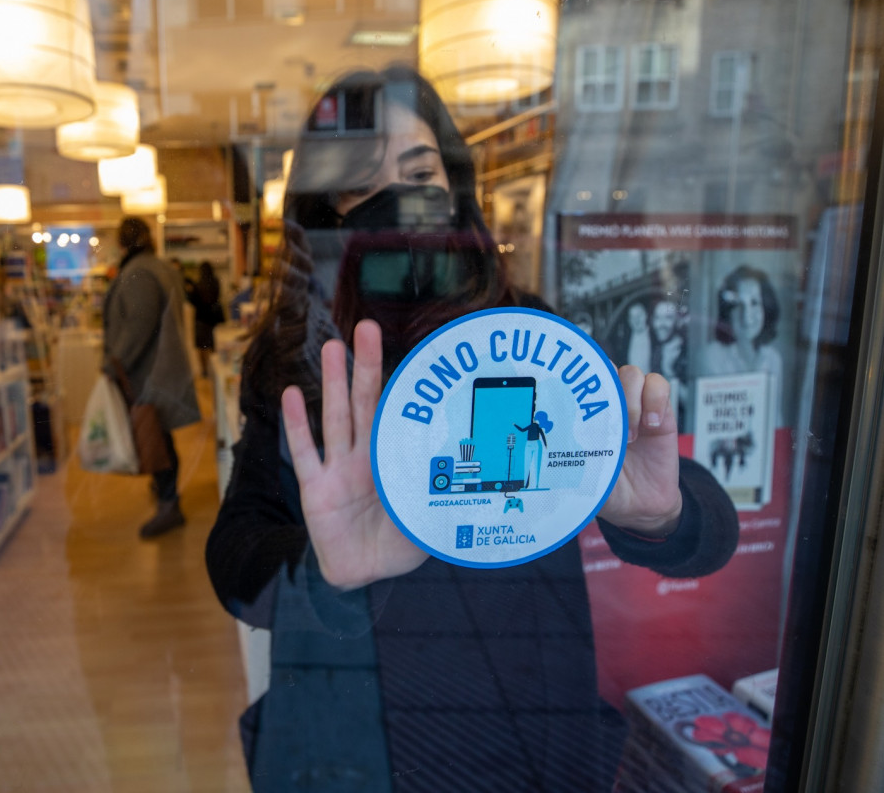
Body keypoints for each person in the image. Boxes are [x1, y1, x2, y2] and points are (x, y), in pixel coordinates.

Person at [205, 65, 740, 791]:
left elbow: (702, 526)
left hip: (523, 716)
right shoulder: (298, 357)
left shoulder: (527, 329)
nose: (394, 201)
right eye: (359, 184)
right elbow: (235, 554)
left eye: (419, 169)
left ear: (455, 185)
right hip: (360, 731)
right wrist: (320, 573)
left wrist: (665, 515)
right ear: (323, 212)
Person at [104, 217, 200, 538]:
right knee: (158, 436)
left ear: (122, 242)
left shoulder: (138, 273)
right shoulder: (158, 267)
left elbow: (138, 328)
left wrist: (114, 362)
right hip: (164, 367)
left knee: (154, 437)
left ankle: (169, 503)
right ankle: (166, 496)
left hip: (148, 372)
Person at [703, 265, 784, 425]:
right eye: (739, 305)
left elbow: (775, 419)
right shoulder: (710, 357)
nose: (746, 316)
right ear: (727, 312)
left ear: (766, 309)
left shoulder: (774, 359)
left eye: (754, 303)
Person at [185, 261, 224, 378]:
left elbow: (192, 302)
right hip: (213, 319)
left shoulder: (197, 285)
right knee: (213, 346)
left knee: (201, 347)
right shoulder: (215, 282)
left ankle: (204, 371)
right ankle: (214, 370)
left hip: (201, 319)